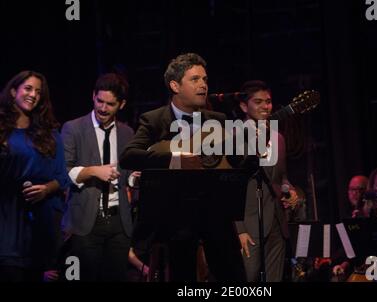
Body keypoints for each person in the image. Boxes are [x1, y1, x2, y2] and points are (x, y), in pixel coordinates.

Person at [120, 53, 247, 281]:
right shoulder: (154, 119)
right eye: (195, 79)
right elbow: (128, 156)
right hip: (175, 217)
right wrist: (175, 159)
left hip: (216, 214)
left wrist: (254, 149)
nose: (203, 85)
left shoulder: (218, 119)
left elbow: (238, 164)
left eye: (205, 80)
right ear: (175, 85)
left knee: (234, 278)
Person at [61, 73, 134, 281]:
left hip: (119, 222)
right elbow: (64, 172)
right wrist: (94, 171)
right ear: (93, 96)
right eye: (99, 101)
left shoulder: (127, 132)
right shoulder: (73, 128)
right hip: (85, 220)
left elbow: (128, 176)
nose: (103, 108)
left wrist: (134, 178)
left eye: (110, 104)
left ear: (121, 104)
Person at [0, 70, 69, 281]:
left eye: (38, 92)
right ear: (13, 91)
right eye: (28, 88)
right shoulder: (3, 131)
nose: (33, 95)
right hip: (8, 216)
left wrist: (47, 188)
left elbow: (63, 177)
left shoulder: (49, 134)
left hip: (42, 220)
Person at [234, 80, 299, 282]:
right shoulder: (234, 136)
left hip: (277, 224)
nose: (265, 106)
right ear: (244, 106)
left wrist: (291, 191)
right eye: (258, 101)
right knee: (247, 280)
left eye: (268, 101)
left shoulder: (278, 138)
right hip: (249, 225)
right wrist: (239, 230)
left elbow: (282, 178)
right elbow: (230, 187)